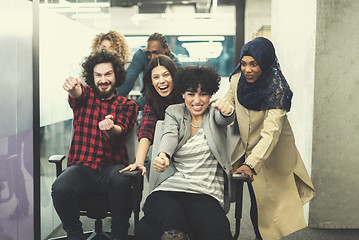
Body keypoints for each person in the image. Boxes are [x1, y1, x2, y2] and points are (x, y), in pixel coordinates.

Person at [224, 37, 315, 240]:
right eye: (244, 63)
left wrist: (251, 164)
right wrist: (218, 109)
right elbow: (227, 106)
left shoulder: (277, 89)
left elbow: (271, 133)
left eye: (254, 64)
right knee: (258, 205)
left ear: (264, 63)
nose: (247, 69)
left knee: (273, 210)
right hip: (248, 150)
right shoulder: (237, 80)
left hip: (274, 153)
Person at [135, 66, 235, 240]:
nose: (197, 100)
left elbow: (225, 118)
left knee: (220, 233)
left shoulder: (214, 113)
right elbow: (169, 134)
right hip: (169, 190)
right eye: (191, 94)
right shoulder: (174, 111)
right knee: (148, 228)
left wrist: (228, 110)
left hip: (205, 193)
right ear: (182, 94)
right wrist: (163, 155)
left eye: (202, 93)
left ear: (210, 94)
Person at [51, 48, 138, 240]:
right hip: (82, 169)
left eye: (108, 74)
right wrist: (72, 86)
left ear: (116, 75)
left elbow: (120, 130)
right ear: (92, 76)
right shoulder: (85, 98)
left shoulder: (127, 105)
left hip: (111, 170)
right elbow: (76, 94)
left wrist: (110, 127)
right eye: (98, 75)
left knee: (122, 178)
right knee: (60, 187)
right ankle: (75, 235)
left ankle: (118, 235)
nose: (103, 79)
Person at [120, 55, 182, 176]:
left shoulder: (185, 96)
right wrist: (138, 162)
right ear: (151, 82)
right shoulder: (152, 101)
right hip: (163, 156)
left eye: (166, 75)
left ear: (174, 76)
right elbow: (146, 131)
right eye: (156, 77)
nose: (161, 81)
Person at [117, 32, 182, 110]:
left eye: (156, 52)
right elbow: (128, 81)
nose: (152, 57)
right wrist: (114, 103)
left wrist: (137, 105)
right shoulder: (142, 55)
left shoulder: (176, 65)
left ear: (166, 49)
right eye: (148, 53)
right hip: (149, 103)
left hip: (171, 105)